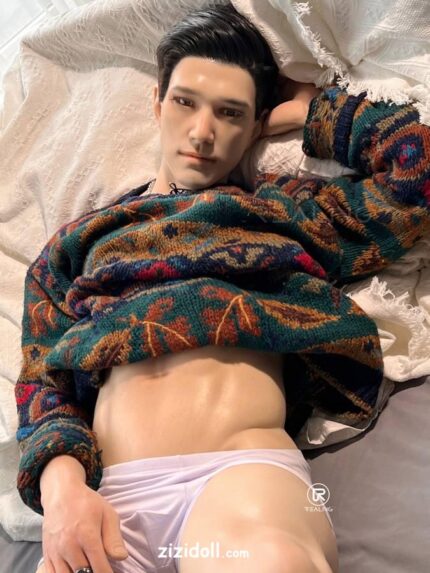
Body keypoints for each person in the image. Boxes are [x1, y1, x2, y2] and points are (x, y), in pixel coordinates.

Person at [14, 2, 430, 573]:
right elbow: (41, 381)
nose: (203, 132)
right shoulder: (78, 242)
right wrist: (61, 489)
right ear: (157, 103)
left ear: (257, 125)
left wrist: (314, 112)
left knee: (270, 562)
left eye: (230, 113)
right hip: (108, 502)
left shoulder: (283, 212)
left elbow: (417, 172)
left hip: (244, 478)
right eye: (185, 102)